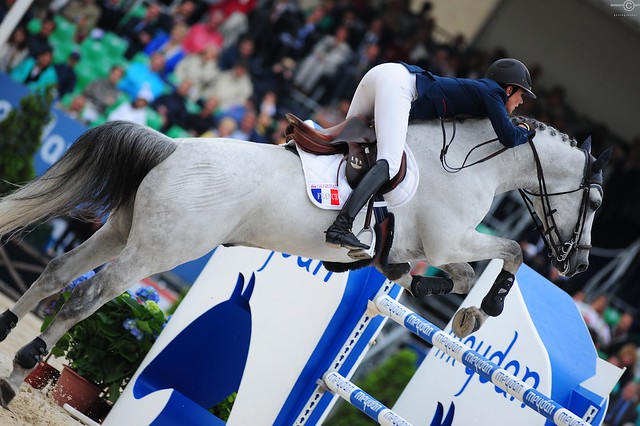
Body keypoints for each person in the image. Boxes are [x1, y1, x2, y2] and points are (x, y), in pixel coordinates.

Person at [324, 58, 537, 251]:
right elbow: (508, 137)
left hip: (383, 74)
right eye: (521, 95)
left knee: (347, 140)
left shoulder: (482, 92)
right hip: (400, 86)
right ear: (508, 89)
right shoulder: (493, 93)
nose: (521, 102)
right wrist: (527, 130)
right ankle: (340, 227)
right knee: (390, 163)